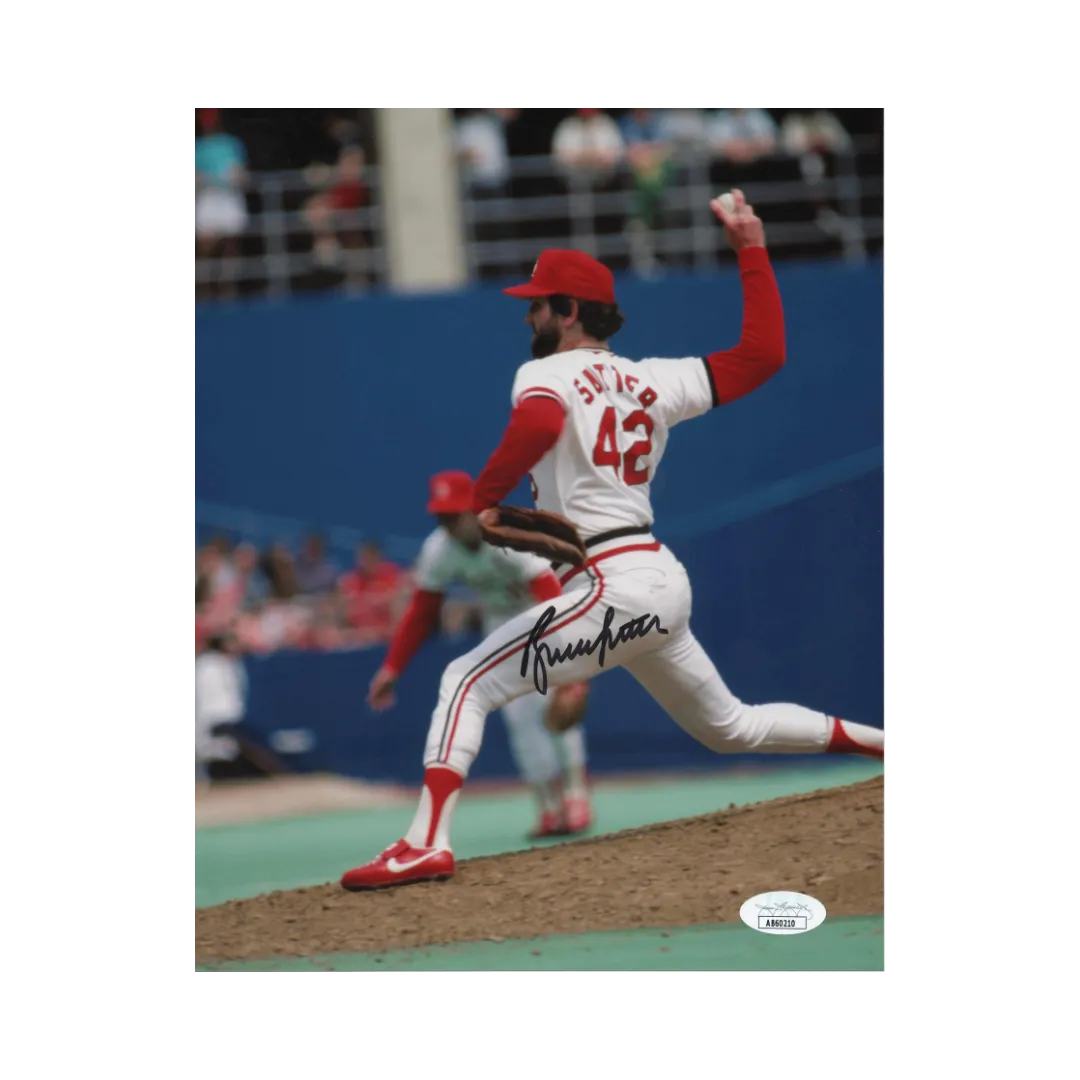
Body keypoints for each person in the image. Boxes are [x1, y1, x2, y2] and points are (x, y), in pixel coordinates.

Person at [340, 189, 885, 892]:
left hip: (607, 582)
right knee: (732, 728)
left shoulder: (544, 372)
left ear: (568, 311)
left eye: (538, 303)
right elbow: (764, 355)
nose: (529, 314)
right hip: (657, 576)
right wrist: (751, 247)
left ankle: (423, 843)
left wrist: (482, 500)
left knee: (464, 679)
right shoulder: (654, 379)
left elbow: (537, 425)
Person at [366, 468, 594, 839]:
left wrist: (573, 663)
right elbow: (422, 612)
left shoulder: (507, 534)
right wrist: (392, 667)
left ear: (473, 509)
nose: (448, 523)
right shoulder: (438, 550)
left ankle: (576, 796)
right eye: (441, 516)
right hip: (500, 622)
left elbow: (550, 592)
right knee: (519, 718)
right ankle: (548, 807)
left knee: (552, 706)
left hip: (545, 614)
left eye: (453, 514)